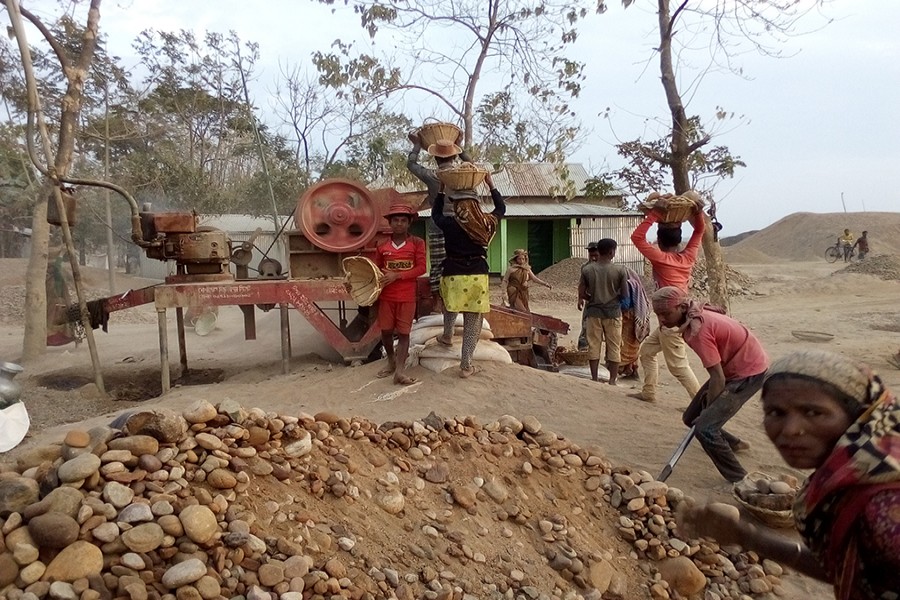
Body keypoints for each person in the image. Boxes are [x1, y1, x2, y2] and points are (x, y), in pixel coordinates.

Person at [677, 350, 900, 599]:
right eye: (776, 413)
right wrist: (745, 536)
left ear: (859, 414)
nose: (791, 429)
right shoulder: (850, 479)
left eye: (814, 413)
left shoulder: (884, 504)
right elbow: (851, 568)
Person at [651, 286, 768, 482]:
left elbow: (718, 379)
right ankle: (733, 443)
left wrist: (708, 410)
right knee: (691, 417)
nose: (662, 320)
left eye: (666, 313)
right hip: (730, 367)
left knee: (705, 428)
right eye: (658, 314)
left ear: (681, 307)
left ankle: (741, 479)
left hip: (748, 372)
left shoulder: (698, 330)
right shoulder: (692, 316)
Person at [432, 172, 506, 378]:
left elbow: (435, 215)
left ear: (457, 205)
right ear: (475, 204)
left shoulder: (450, 224)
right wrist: (491, 185)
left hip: (453, 274)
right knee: (473, 320)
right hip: (477, 275)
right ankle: (466, 366)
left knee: (450, 306)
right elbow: (501, 208)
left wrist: (440, 191)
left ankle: (447, 336)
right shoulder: (486, 222)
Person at [630, 210, 705, 402]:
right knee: (647, 352)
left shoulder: (660, 258)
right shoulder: (688, 257)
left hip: (672, 323)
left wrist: (655, 213)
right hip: (674, 319)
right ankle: (649, 392)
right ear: (679, 241)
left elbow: (636, 237)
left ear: (660, 242)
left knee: (679, 366)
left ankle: (700, 405)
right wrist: (697, 213)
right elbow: (700, 230)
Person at [407, 131, 472, 313]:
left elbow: (411, 164)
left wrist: (417, 145)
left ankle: (438, 302)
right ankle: (459, 301)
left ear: (436, 159)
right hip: (460, 223)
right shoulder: (462, 172)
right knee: (459, 260)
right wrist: (460, 146)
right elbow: (472, 164)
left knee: (437, 264)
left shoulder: (432, 176)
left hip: (438, 223)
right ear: (454, 155)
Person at [374, 204, 427, 385]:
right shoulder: (382, 246)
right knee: (386, 331)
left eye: (403, 220)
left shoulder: (417, 243)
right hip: (386, 296)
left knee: (404, 333)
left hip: (407, 297)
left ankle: (400, 371)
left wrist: (397, 275)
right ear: (389, 222)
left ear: (409, 223)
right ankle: (390, 361)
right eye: (395, 220)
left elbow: (421, 268)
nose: (399, 224)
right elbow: (376, 269)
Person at [578, 238, 628, 385]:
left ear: (598, 251)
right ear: (612, 252)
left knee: (593, 344)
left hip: (593, 312)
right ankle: (612, 380)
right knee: (614, 345)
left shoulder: (587, 269)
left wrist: (593, 297)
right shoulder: (620, 270)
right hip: (613, 313)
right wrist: (614, 297)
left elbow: (582, 291)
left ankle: (594, 378)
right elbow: (625, 294)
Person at [618, 266, 651, 379]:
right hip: (638, 316)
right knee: (634, 344)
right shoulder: (637, 284)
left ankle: (620, 367)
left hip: (628, 316)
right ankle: (632, 369)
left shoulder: (627, 284)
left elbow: (625, 304)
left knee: (624, 344)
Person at [576, 242, 600, 351]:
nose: (593, 257)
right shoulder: (585, 267)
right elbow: (582, 284)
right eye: (591, 254)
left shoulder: (605, 266)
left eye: (596, 254)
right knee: (586, 325)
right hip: (590, 301)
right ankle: (583, 350)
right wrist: (580, 298)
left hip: (605, 303)